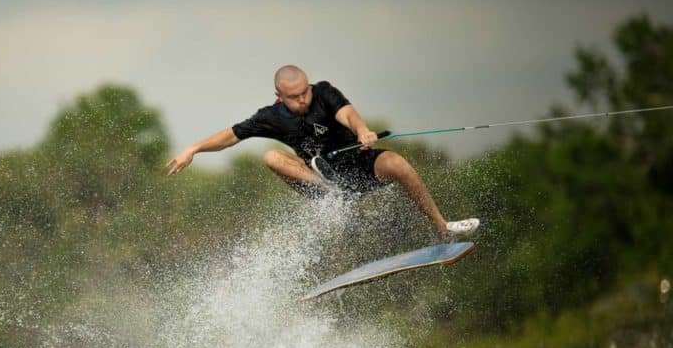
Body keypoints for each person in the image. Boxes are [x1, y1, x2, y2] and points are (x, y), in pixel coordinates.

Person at [166, 65, 479, 237]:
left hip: (358, 163)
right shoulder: (270, 117)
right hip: (321, 183)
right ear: (279, 96)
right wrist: (193, 148)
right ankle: (331, 191)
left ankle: (442, 225)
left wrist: (362, 131)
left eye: (305, 93)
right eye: (294, 97)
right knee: (270, 156)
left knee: (397, 162)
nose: (302, 100)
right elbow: (231, 136)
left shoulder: (324, 92)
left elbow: (347, 113)